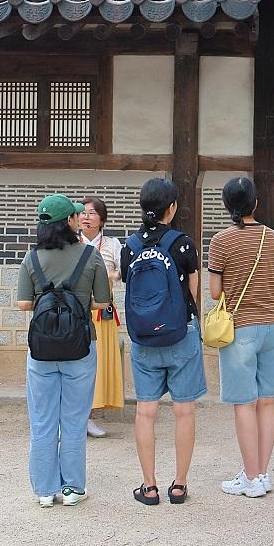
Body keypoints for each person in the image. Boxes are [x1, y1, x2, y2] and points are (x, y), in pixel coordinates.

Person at [16, 194, 111, 508]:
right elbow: (102, 302)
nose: (79, 219)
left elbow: (23, 304)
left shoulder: (31, 258)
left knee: (42, 421)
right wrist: (77, 301)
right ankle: (72, 488)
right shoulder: (90, 256)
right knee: (74, 420)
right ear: (69, 221)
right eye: (75, 215)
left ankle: (45, 490)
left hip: (42, 349)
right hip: (80, 346)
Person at [119, 178, 205, 506]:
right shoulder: (183, 244)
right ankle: (179, 485)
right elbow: (193, 292)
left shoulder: (130, 246)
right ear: (172, 208)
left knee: (146, 412)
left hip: (144, 338)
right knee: (184, 411)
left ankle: (149, 487)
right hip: (180, 333)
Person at [207, 176, 274, 499]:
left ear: (227, 206)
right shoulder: (273, 237)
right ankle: (262, 474)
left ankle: (250, 478)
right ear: (255, 202)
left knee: (244, 402)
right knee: (267, 401)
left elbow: (215, 293)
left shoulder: (221, 241)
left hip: (241, 327)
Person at [79, 196, 123, 439]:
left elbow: (122, 271)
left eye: (92, 213)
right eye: (83, 213)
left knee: (98, 364)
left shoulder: (112, 244)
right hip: (78, 309)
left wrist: (112, 275)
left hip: (102, 310)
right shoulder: (71, 242)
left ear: (102, 219)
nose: (86, 217)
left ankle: (90, 415)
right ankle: (76, 416)